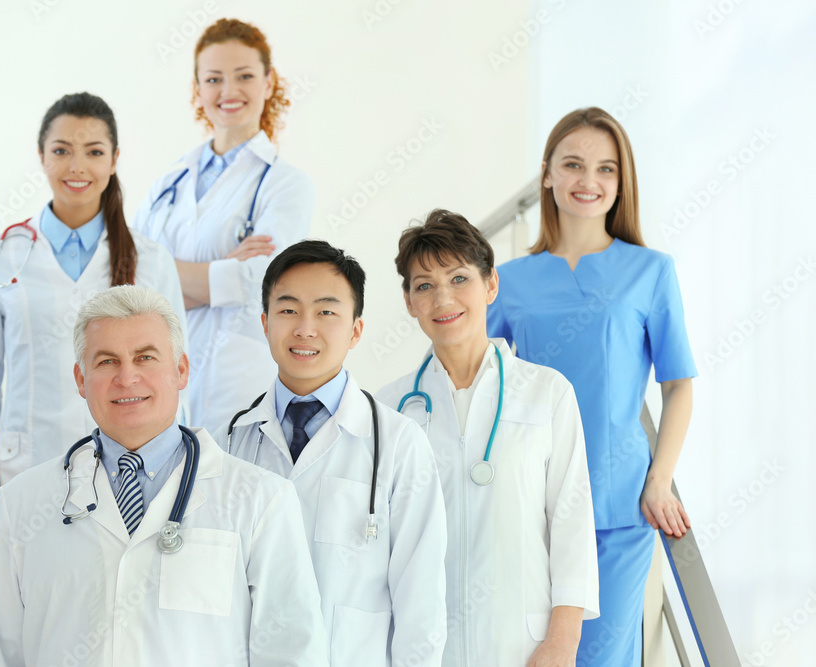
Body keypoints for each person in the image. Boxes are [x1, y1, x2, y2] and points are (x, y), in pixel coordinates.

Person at [0, 285, 328, 666]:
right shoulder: (22, 503)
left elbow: (292, 652)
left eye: (145, 357)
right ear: (80, 379)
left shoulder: (261, 499)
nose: (127, 378)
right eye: (106, 361)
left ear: (180, 370)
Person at [487, 107, 697, 666]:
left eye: (606, 169)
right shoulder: (507, 281)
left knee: (602, 658)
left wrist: (660, 480)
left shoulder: (651, 271)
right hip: (532, 500)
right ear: (548, 174)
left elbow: (679, 385)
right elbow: (469, 371)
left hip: (618, 504)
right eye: (573, 164)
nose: (589, 181)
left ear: (620, 182)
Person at [0, 92, 187, 529]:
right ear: (42, 157)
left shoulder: (152, 260)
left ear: (114, 159)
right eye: (61, 151)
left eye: (94, 152)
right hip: (28, 465)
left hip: (133, 469)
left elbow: (171, 374)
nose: (77, 167)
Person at [377, 209, 599, 666]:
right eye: (424, 285)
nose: (443, 298)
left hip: (522, 646)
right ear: (409, 301)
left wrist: (562, 642)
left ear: (491, 284)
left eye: (459, 279)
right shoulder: (389, 409)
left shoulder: (547, 393)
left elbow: (572, 524)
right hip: (423, 651)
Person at [226, 240, 447, 667]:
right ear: (264, 322)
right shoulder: (229, 443)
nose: (305, 328)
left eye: (326, 311)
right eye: (288, 310)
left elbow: (421, 602)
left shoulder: (399, 445)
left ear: (355, 330)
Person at [134, 17, 314, 440]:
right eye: (213, 79)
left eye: (244, 76)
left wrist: (162, 287)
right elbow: (123, 278)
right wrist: (221, 272)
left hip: (235, 388)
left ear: (269, 82)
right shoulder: (168, 183)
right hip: (158, 384)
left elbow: (259, 284)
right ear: (198, 89)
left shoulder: (286, 184)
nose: (228, 91)